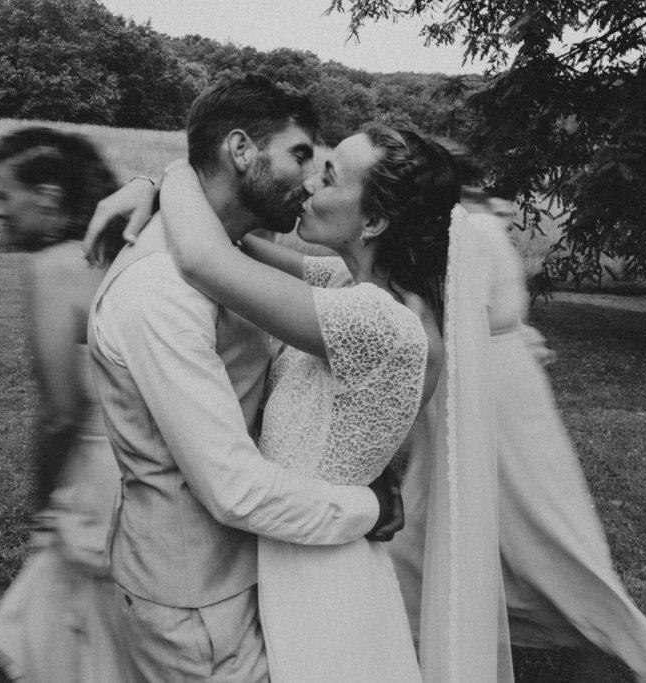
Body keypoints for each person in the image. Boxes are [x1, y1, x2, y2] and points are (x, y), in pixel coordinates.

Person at [88, 122, 515, 681]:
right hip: (296, 543)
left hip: (317, 568)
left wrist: (171, 173)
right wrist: (147, 184)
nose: (310, 183)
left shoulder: (379, 321)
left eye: (331, 177)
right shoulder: (350, 282)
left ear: (375, 220)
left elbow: (204, 259)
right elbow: (229, 237)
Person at [87, 75, 404, 682]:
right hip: (197, 604)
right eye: (301, 155)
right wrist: (369, 506)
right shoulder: (160, 291)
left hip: (252, 571)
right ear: (240, 150)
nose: (312, 180)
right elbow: (231, 488)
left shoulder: (227, 256)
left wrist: (159, 180)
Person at [389, 180, 646, 682]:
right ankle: (421, 608)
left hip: (491, 389)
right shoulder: (468, 233)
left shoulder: (473, 232)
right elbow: (499, 309)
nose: (506, 210)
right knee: (444, 506)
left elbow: (480, 313)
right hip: (487, 380)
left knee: (533, 517)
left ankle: (608, 636)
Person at [0, 126, 131, 681]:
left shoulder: (51, 269)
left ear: (47, 196)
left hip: (94, 481)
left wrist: (43, 506)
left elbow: (60, 413)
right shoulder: (131, 254)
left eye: (2, 194)